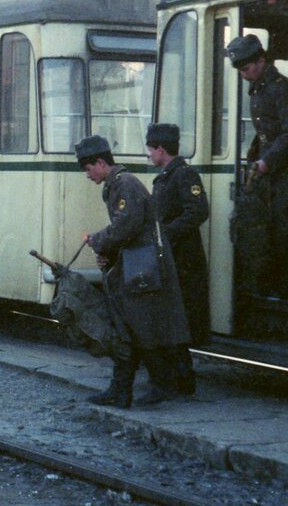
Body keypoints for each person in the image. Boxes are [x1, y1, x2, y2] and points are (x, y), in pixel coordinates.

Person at [77, 134, 191, 408]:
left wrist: (99, 240)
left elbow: (127, 226)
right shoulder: (118, 184)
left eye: (88, 169)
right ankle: (123, 390)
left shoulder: (124, 184)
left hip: (145, 268)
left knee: (138, 329)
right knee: (132, 328)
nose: (88, 175)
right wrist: (107, 251)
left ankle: (155, 387)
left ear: (101, 163)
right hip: (141, 266)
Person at [227, 34, 288, 300]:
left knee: (284, 231)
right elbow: (264, 135)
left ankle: (287, 288)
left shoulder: (282, 89)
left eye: (246, 69)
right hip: (268, 171)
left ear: (261, 61)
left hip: (286, 173)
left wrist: (267, 161)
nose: (244, 75)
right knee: (263, 230)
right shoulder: (258, 89)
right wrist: (254, 159)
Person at [146, 123, 207, 396]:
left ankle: (180, 380)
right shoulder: (166, 176)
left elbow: (197, 211)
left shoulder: (183, 175)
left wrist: (166, 235)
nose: (148, 155)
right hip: (171, 258)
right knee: (171, 320)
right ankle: (179, 378)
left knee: (175, 321)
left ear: (161, 149)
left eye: (150, 149)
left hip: (183, 260)